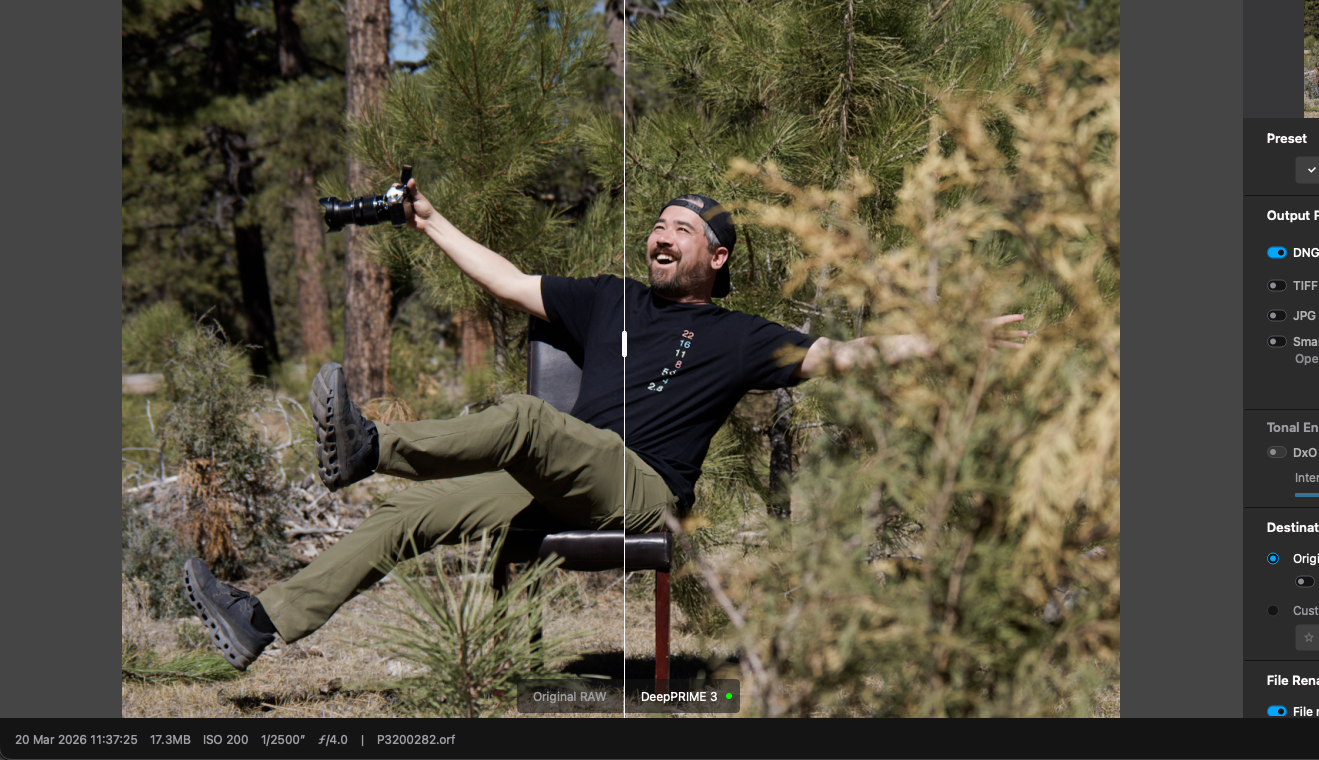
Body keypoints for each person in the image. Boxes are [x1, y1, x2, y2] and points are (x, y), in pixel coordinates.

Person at [181, 180, 1028, 671]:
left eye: (682, 231)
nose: (662, 236)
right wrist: (430, 221)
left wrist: (948, 339)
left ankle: (370, 448)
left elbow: (848, 353)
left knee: (525, 419)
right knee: (404, 516)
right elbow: (509, 281)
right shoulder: (609, 298)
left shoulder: (744, 335)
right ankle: (261, 621)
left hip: (644, 493)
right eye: (658, 225)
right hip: (561, 481)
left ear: (716, 258)